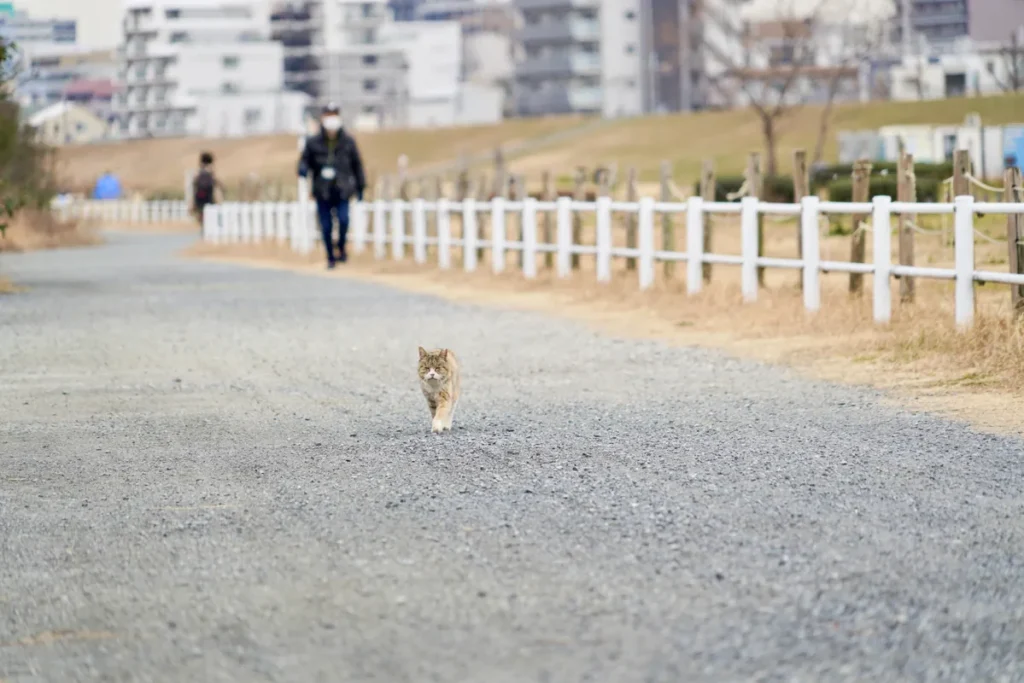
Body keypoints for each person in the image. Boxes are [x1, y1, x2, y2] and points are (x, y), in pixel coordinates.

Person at [298, 102, 366, 268]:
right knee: (326, 226)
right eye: (328, 116)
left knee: (343, 220)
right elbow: (304, 161)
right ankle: (330, 256)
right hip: (322, 191)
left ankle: (341, 246)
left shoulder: (348, 141)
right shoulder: (313, 142)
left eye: (334, 115)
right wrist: (303, 170)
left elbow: (357, 165)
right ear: (323, 118)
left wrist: (360, 187)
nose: (331, 120)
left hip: (342, 189)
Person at [191, 152, 223, 227]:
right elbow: (218, 183)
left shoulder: (198, 171)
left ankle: (203, 225)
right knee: (211, 214)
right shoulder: (211, 171)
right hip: (209, 196)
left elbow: (194, 184)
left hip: (199, 196)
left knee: (201, 213)